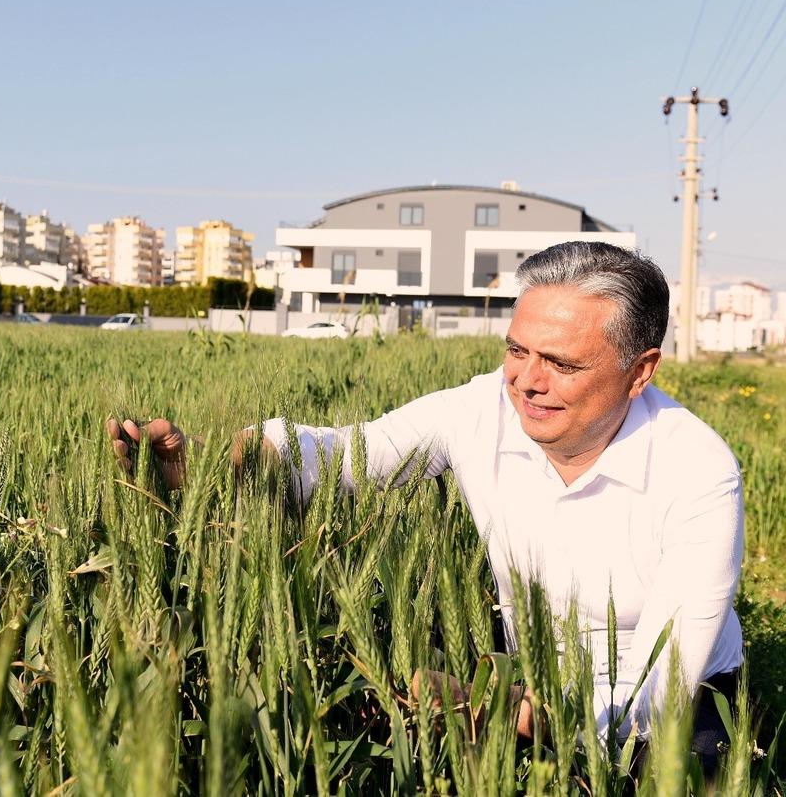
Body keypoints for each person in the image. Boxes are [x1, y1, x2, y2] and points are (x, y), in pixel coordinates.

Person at [107, 241, 743, 774]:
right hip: (521, 667)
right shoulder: (481, 408)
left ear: (640, 371)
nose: (527, 381)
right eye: (517, 350)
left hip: (671, 700)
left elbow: (657, 690)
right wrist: (216, 464)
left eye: (561, 363)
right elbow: (350, 455)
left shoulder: (698, 473)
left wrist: (515, 713)